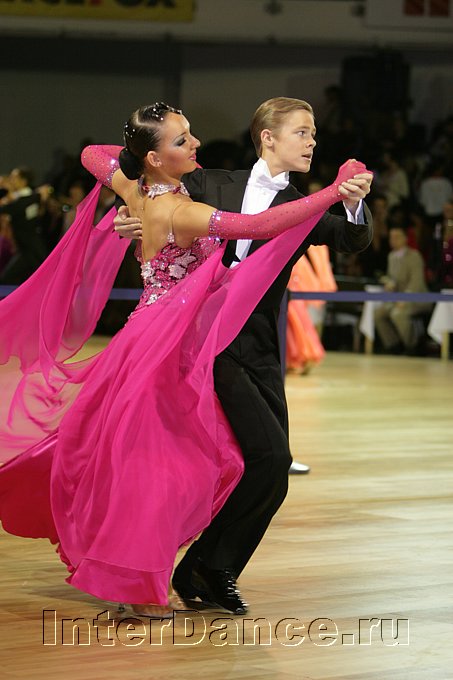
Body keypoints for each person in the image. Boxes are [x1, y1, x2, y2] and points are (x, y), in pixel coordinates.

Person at [0, 102, 370, 618]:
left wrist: (347, 200)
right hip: (174, 344)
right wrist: (330, 191)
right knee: (164, 464)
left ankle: (193, 569)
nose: (195, 144)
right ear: (268, 137)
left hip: (211, 340)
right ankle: (147, 578)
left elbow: (96, 156)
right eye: (182, 139)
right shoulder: (189, 197)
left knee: (222, 462)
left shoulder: (147, 190)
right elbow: (257, 226)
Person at [114, 98, 373, 614]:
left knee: (272, 469)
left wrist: (351, 203)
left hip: (257, 346)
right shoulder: (210, 182)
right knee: (265, 458)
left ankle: (207, 567)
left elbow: (351, 239)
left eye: (313, 133)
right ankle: (205, 568)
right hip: (205, 344)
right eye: (302, 132)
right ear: (268, 138)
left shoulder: (301, 203)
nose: (312, 141)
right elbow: (147, 186)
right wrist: (131, 214)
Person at [374, 225, 432, 354]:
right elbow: (392, 278)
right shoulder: (391, 256)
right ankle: (393, 345)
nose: (393, 240)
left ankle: (412, 345)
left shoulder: (414, 256)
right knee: (379, 313)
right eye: (391, 237)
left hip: (417, 298)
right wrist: (389, 283)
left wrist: (405, 299)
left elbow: (417, 282)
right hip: (398, 298)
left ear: (405, 238)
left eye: (397, 237)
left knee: (398, 314)